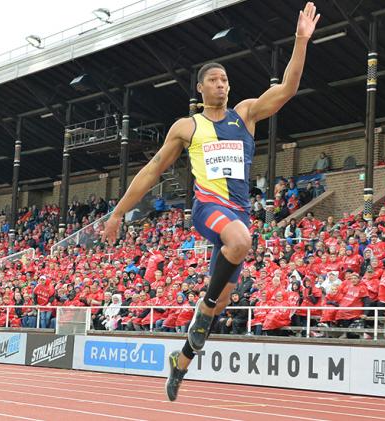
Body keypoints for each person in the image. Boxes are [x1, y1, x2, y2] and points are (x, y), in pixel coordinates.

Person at [101, 2, 320, 402]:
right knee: (239, 245)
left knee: (220, 302)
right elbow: (151, 171)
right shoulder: (188, 126)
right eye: (214, 80)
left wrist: (301, 41)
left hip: (238, 214)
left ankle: (181, 362)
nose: (221, 84)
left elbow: (288, 87)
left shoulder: (246, 115)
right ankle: (203, 312)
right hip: (208, 209)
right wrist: (118, 212)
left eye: (225, 80)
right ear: (200, 89)